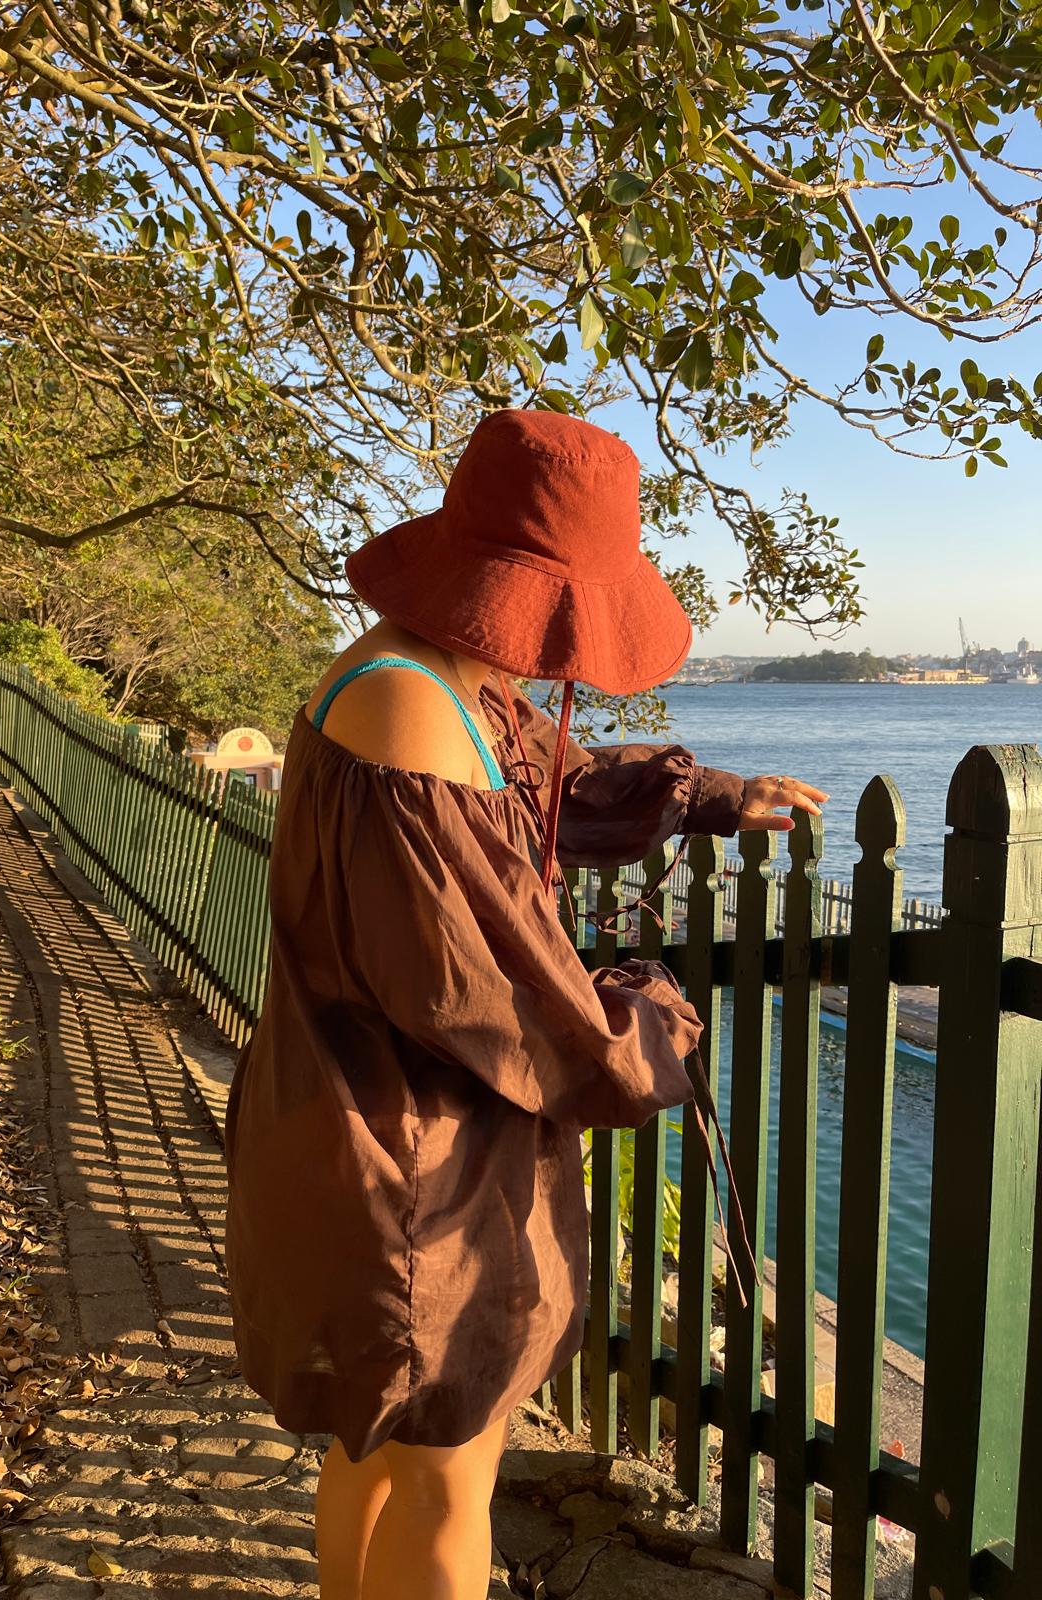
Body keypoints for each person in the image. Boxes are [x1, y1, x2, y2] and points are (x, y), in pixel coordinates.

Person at [223, 409, 827, 1600]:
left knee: (377, 1446)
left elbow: (544, 782)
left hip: (365, 1130)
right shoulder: (407, 716)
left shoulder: (427, 670)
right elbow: (511, 1008)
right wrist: (651, 1014)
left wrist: (703, 794)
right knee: (451, 1485)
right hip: (408, 1170)